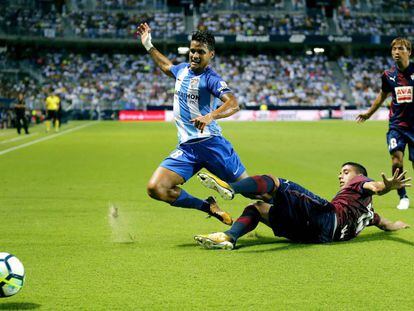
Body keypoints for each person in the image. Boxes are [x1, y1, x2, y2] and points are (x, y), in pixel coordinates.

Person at [136, 23, 248, 224]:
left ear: (211, 55)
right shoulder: (181, 71)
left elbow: (234, 104)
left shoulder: (211, 79)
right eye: (193, 50)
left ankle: (287, 213)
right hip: (187, 149)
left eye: (201, 52)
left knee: (253, 190)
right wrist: (148, 45)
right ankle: (208, 206)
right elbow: (165, 65)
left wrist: (210, 116)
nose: (195, 55)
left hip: (212, 144)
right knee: (156, 188)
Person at [194, 163, 410, 250]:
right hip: (313, 236)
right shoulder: (369, 215)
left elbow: (375, 186)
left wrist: (387, 187)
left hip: (326, 216)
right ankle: (229, 237)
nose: (340, 175)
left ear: (358, 174)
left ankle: (230, 188)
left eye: (345, 172)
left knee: (276, 182)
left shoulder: (359, 180)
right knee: (259, 207)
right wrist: (399, 226)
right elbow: (385, 224)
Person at [356, 37, 414, 210]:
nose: (397, 52)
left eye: (401, 48)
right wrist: (368, 113)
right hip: (397, 126)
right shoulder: (388, 75)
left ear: (409, 52)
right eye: (394, 49)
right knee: (396, 160)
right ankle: (402, 196)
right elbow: (382, 96)